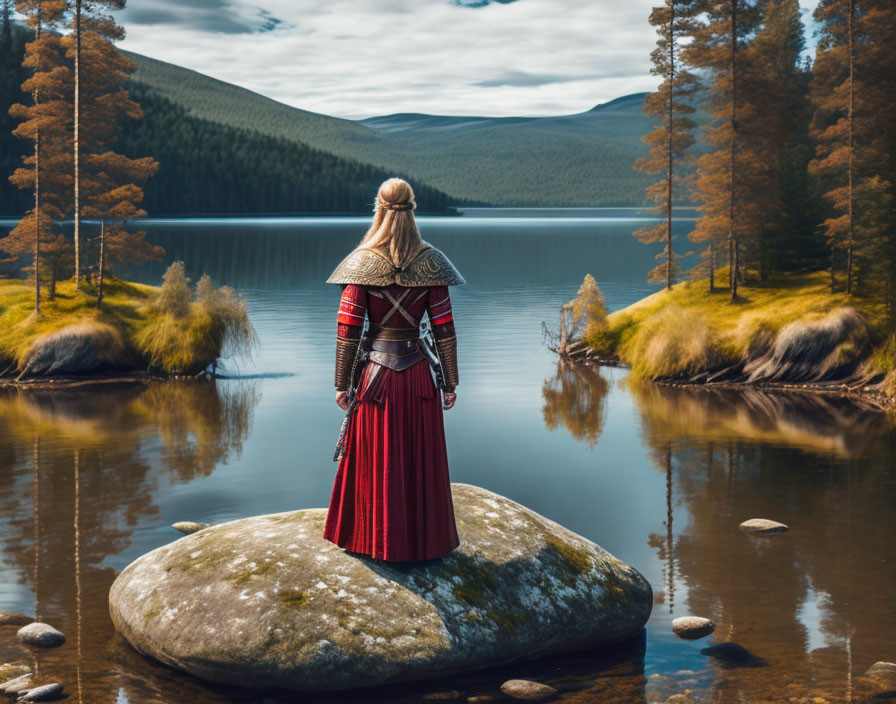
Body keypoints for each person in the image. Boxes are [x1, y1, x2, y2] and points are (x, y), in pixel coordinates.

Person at [323, 178, 464, 562]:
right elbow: (445, 329)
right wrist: (450, 382)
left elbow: (348, 331)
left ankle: (371, 540)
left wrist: (341, 383)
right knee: (420, 461)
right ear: (412, 208)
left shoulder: (361, 261)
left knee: (375, 461)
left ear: (378, 208)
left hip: (375, 379)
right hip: (419, 376)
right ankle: (424, 544)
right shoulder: (431, 262)